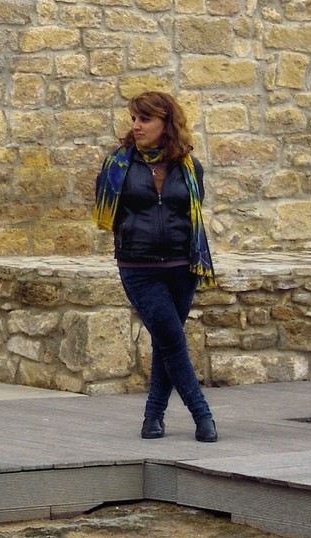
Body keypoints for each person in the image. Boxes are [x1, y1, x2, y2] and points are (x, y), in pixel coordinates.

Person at [94, 89, 219, 444]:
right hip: (139, 267)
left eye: (145, 119)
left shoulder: (190, 166)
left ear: (167, 124)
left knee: (167, 341)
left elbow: (191, 212)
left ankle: (153, 417)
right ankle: (202, 415)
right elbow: (109, 215)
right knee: (173, 340)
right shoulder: (118, 165)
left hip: (183, 266)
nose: (136, 126)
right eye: (134, 118)